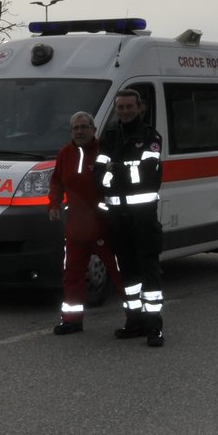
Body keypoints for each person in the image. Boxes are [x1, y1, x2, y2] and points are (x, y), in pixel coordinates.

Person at [96, 88, 166, 347]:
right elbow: (99, 175)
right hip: (118, 217)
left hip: (143, 217)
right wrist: (122, 170)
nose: (124, 111)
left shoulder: (150, 137)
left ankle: (154, 327)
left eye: (129, 107)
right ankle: (134, 321)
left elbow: (148, 175)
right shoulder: (110, 136)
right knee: (127, 273)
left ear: (140, 108)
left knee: (149, 272)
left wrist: (115, 170)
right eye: (121, 107)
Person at [47, 111, 123, 334]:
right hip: (75, 227)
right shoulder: (65, 153)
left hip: (103, 225)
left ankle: (134, 317)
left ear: (93, 130)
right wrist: (53, 204)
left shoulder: (104, 152)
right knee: (72, 274)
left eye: (84, 127)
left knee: (120, 272)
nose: (79, 131)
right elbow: (56, 181)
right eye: (75, 128)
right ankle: (72, 320)